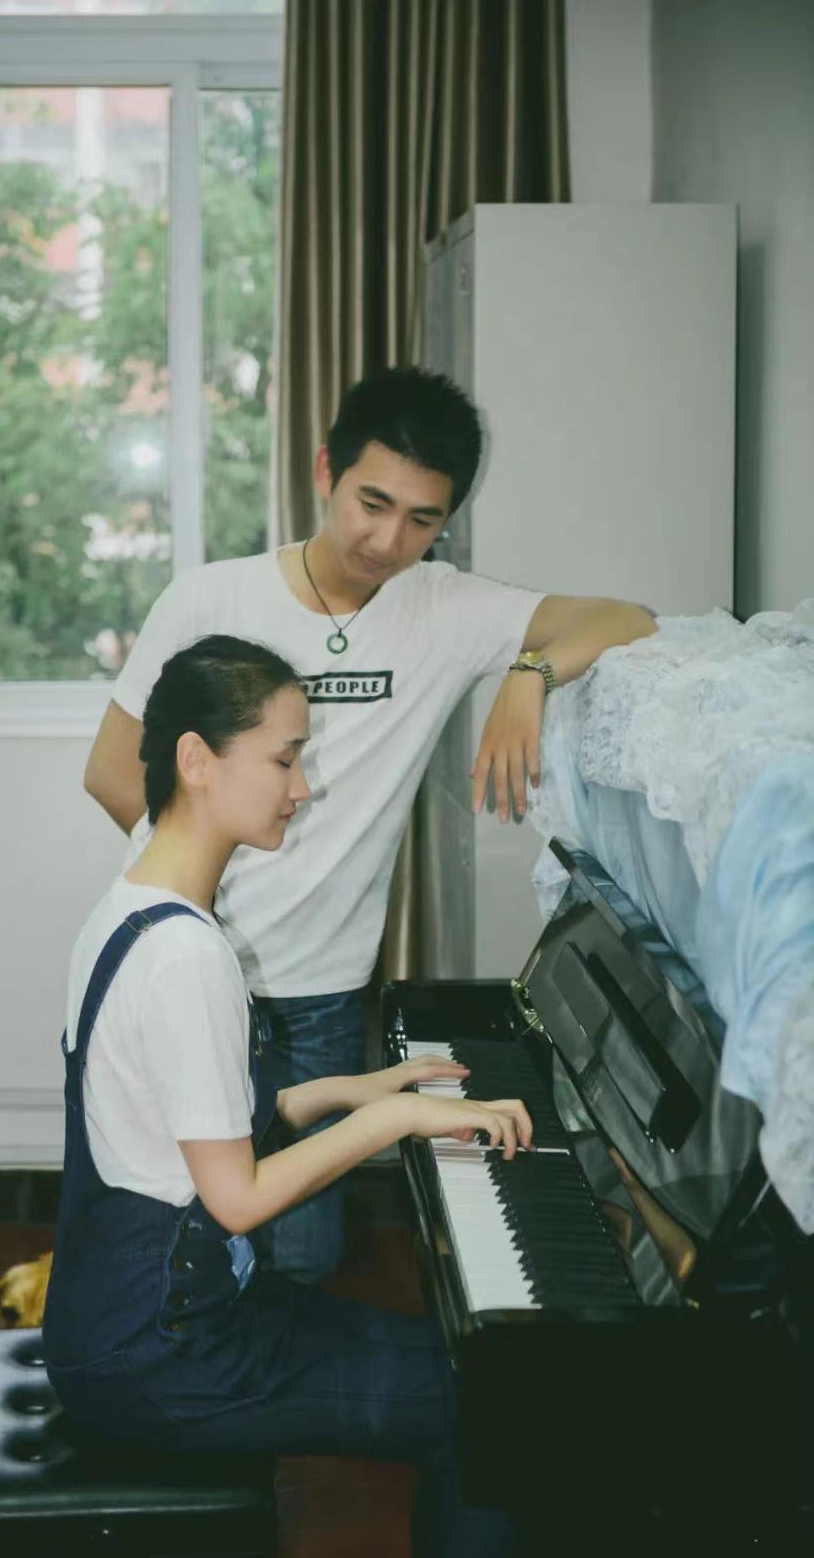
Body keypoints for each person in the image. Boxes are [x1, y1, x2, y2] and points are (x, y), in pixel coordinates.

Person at [84, 366, 657, 1284]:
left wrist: (530, 675)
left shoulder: (445, 608)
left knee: (304, 1257)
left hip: (320, 991)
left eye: (423, 519)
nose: (388, 540)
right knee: (186, 1232)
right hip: (193, 970)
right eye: (372, 502)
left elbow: (628, 618)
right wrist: (205, 887)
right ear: (326, 471)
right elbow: (111, 771)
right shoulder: (208, 599)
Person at [43, 634, 534, 1558]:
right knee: (481, 1407)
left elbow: (194, 1121)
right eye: (284, 758)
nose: (302, 787)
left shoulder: (133, 908)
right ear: (197, 759)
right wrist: (399, 1124)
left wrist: (359, 1089)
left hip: (139, 1318)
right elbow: (235, 1197)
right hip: (161, 1353)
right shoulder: (185, 956)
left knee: (470, 1370)